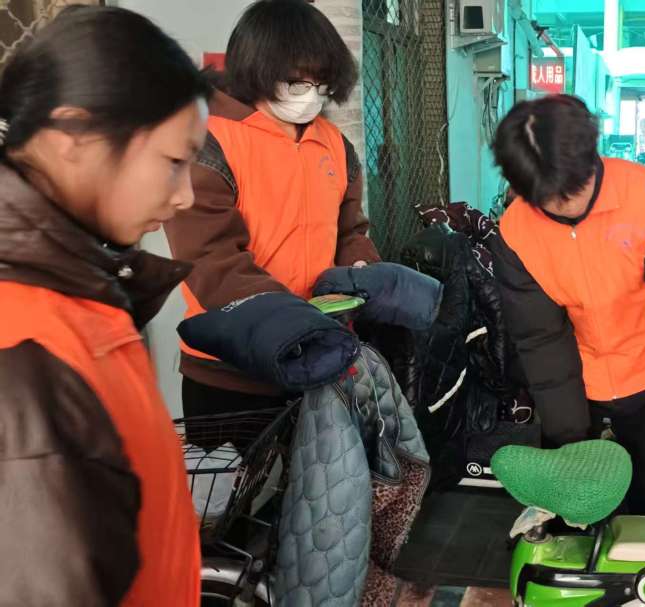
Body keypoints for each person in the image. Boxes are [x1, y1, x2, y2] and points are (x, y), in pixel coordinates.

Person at [0, 6, 210, 604]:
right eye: (173, 162)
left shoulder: (77, 297)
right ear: (74, 138)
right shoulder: (25, 349)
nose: (185, 196)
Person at [490, 95, 645, 520]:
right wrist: (569, 441)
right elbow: (541, 339)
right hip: (577, 387)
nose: (564, 206)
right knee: (581, 513)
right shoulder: (515, 233)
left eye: (571, 191)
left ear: (591, 157)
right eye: (547, 198)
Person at [164, 0, 380, 419]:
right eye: (297, 84)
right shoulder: (209, 142)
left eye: (321, 85)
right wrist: (296, 320)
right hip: (231, 368)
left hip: (318, 357)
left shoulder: (334, 143)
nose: (310, 97)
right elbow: (210, 260)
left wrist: (361, 272)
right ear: (258, 70)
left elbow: (350, 230)